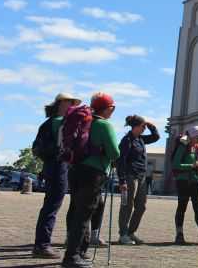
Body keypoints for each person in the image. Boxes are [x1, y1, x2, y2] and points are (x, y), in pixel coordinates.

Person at [62, 92, 120, 268]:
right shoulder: (104, 125)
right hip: (94, 173)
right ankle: (71, 257)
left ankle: (79, 251)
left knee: (77, 210)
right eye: (113, 108)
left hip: (75, 169)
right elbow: (114, 153)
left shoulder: (83, 121)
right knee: (84, 214)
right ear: (108, 108)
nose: (113, 111)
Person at [32, 93, 81, 259]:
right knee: (52, 207)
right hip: (59, 166)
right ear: (62, 104)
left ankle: (41, 243)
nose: (73, 107)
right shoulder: (61, 123)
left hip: (50, 166)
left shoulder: (47, 123)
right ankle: (42, 245)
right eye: (71, 103)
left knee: (49, 206)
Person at [117, 114, 160, 245]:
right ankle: (123, 234)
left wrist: (150, 125)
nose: (144, 129)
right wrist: (122, 180)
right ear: (135, 126)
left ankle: (131, 232)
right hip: (130, 176)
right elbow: (121, 161)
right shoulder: (127, 140)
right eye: (142, 126)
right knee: (127, 206)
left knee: (141, 206)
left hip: (141, 177)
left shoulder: (140, 139)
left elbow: (156, 137)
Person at [172, 125, 198, 245]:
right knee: (182, 207)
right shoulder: (182, 146)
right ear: (192, 136)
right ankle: (179, 234)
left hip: (195, 181)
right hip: (183, 181)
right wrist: (192, 166)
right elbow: (175, 164)